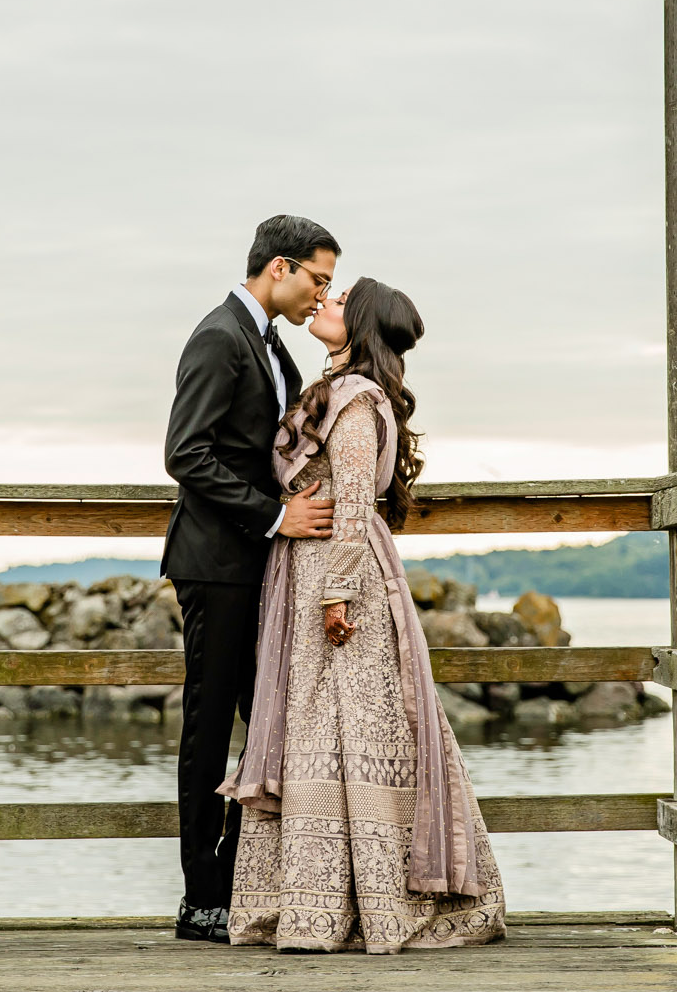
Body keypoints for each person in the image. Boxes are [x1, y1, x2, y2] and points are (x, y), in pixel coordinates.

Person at [219, 279, 506, 953]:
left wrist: (336, 594)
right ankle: (318, 903)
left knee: (352, 729)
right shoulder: (336, 390)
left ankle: (378, 903)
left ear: (364, 326)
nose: (326, 303)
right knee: (319, 731)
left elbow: (351, 504)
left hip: (338, 582)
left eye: (341, 300)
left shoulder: (357, 400)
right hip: (309, 570)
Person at [162, 214, 341, 944]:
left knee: (269, 721)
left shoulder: (268, 346)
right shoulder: (217, 337)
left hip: (255, 567)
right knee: (209, 729)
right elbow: (185, 454)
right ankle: (201, 899)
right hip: (217, 564)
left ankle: (241, 882)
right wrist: (275, 517)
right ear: (279, 268)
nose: (319, 295)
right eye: (317, 280)